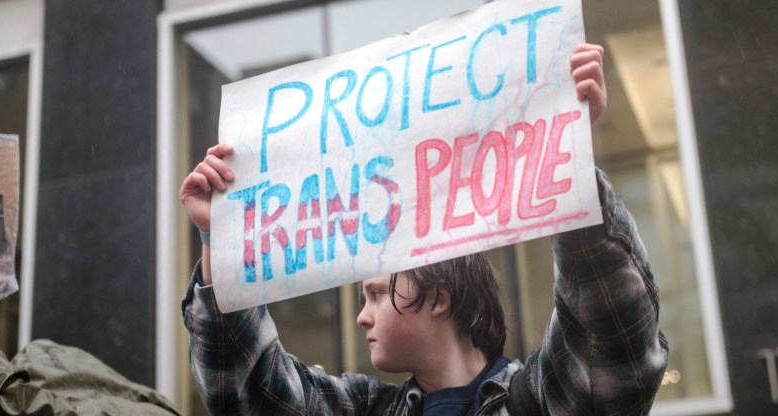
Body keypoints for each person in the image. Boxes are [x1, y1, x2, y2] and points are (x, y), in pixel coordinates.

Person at [179, 43, 669, 415]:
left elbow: (613, 339)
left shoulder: (541, 400)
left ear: (439, 296)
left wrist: (572, 162)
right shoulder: (361, 408)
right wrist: (220, 241)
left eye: (374, 293)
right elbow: (245, 391)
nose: (361, 318)